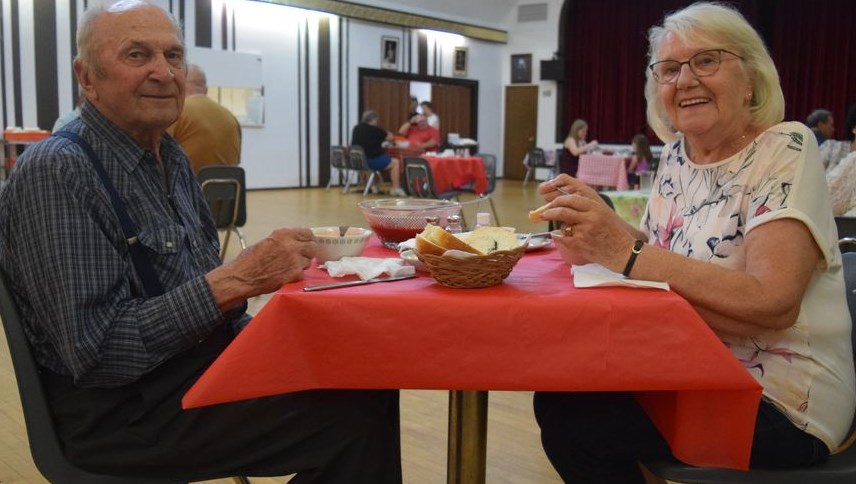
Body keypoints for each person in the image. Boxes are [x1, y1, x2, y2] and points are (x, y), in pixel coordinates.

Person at [0, 2, 402, 482]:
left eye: (173, 55)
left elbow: (204, 300)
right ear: (87, 78)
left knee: (365, 372)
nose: (163, 72)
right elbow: (98, 352)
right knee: (353, 416)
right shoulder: (59, 171)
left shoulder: (168, 156)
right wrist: (238, 278)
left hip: (193, 370)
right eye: (136, 55)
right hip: (125, 414)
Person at [531, 3, 855, 482]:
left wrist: (625, 253)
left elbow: (772, 304)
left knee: (579, 418)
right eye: (669, 69)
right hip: (687, 360)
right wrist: (601, 230)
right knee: (564, 389)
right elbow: (669, 255)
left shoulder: (786, 147)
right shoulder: (678, 155)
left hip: (779, 400)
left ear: (751, 78)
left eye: (706, 61)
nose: (684, 80)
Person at [167, 63, 241, 173]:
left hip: (187, 188)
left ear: (180, 84)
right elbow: (236, 161)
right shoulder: (231, 117)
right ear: (205, 89)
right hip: (228, 189)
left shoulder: (176, 113)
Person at [352, 110, 406, 196]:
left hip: (359, 161)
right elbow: (391, 137)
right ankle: (395, 188)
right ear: (374, 120)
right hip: (371, 161)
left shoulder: (356, 128)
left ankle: (373, 187)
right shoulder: (376, 130)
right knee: (396, 162)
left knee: (368, 161)